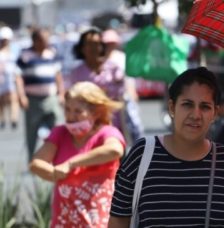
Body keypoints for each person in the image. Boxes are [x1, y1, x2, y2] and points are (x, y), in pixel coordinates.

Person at [108, 67, 224, 228]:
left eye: (205, 106)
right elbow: (118, 220)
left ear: (215, 114)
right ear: (171, 107)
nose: (196, 115)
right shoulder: (143, 154)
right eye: (187, 104)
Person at [29, 81, 126, 227]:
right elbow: (36, 163)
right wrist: (54, 173)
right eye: (67, 109)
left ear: (96, 112)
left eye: (78, 111)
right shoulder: (60, 133)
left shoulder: (107, 133)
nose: (70, 116)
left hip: (98, 218)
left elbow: (115, 150)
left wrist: (71, 164)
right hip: (65, 218)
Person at [68, 28, 140, 143]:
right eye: (89, 44)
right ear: (82, 48)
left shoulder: (113, 68)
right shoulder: (77, 73)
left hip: (115, 124)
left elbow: (121, 94)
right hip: (88, 127)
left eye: (97, 44)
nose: (93, 48)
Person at [17, 28, 65, 161]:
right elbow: (18, 77)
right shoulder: (25, 56)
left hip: (51, 98)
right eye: (44, 40)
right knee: (32, 131)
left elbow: (58, 75)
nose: (47, 42)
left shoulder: (52, 54)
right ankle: (32, 161)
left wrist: (61, 93)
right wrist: (21, 96)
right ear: (35, 41)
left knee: (57, 129)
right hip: (33, 99)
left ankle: (57, 159)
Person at [102, 29, 144, 144]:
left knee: (133, 124)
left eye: (112, 43)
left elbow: (128, 77)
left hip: (124, 96)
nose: (110, 46)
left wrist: (133, 92)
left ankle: (138, 148)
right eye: (107, 43)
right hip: (109, 99)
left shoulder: (121, 57)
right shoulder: (102, 60)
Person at [0, 26, 22, 130]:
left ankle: (14, 119)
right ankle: (2, 119)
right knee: (1, 101)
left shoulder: (15, 49)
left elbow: (18, 65)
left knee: (14, 99)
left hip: (12, 78)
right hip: (1, 78)